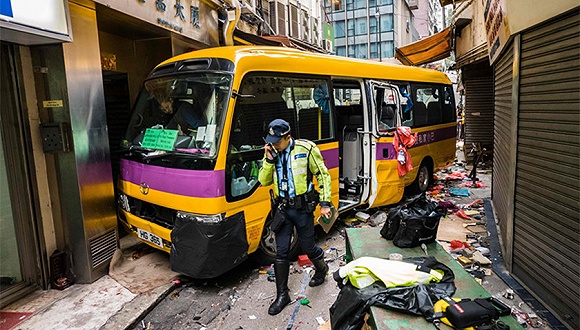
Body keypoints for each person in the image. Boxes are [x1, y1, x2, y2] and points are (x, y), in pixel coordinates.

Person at [258, 119, 332, 316]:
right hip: (283, 209)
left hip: (302, 209)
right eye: (271, 141)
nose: (273, 144)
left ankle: (322, 269)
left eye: (277, 141)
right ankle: (283, 295)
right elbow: (263, 181)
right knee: (281, 252)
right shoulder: (272, 154)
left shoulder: (306, 149)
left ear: (288, 137)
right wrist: (268, 161)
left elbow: (323, 175)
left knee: (308, 247)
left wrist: (325, 203)